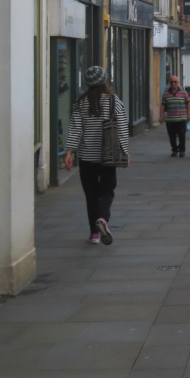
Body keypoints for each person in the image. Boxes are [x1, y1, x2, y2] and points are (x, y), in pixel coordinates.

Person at [65, 66, 129, 245]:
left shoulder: (80, 103)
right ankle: (102, 219)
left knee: (91, 194)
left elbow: (76, 129)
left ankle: (94, 234)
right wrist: (125, 151)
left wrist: (69, 151)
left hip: (86, 157)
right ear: (104, 81)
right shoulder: (113, 101)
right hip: (108, 155)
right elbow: (122, 128)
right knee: (108, 190)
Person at [160, 75, 190, 157]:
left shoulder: (183, 92)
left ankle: (182, 150)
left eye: (175, 82)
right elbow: (162, 105)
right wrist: (161, 116)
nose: (173, 83)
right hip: (170, 119)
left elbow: (188, 102)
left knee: (182, 135)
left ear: (178, 83)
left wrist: (188, 113)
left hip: (182, 118)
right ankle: (174, 149)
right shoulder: (166, 94)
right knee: (171, 136)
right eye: (171, 82)